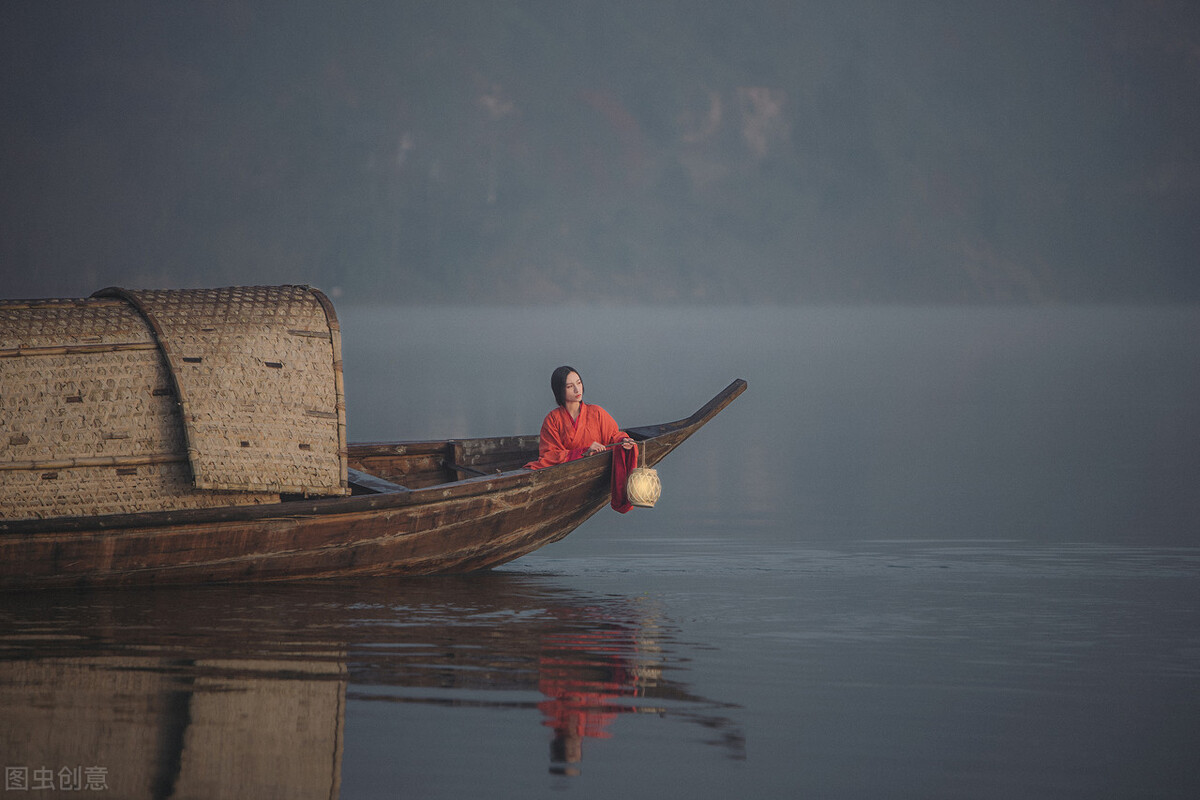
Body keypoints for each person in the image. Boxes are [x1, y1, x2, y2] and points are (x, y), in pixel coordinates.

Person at [523, 366, 635, 470]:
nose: (577, 390)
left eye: (579, 383)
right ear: (559, 390)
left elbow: (614, 436)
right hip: (566, 473)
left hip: (596, 469)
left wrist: (623, 441)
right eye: (570, 386)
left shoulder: (596, 412)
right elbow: (550, 454)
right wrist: (584, 452)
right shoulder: (552, 419)